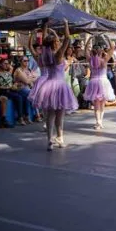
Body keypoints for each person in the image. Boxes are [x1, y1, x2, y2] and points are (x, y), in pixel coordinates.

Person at [32, 20, 78, 151]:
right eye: (56, 42)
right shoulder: (58, 55)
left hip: (48, 85)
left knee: (50, 116)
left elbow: (43, 41)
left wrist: (45, 27)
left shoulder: (44, 56)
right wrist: (65, 24)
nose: (58, 42)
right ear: (53, 44)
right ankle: (60, 138)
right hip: (59, 86)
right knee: (59, 115)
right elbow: (68, 38)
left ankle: (49, 141)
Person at [83, 36, 116, 130]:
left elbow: (85, 51)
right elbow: (112, 48)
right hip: (103, 82)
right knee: (102, 104)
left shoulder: (90, 60)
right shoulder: (104, 60)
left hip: (94, 82)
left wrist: (88, 40)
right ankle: (100, 121)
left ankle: (98, 121)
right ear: (101, 51)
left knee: (96, 104)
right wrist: (107, 38)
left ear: (93, 51)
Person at [0, 59, 31, 125]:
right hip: (1, 91)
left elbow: (11, 83)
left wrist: (15, 85)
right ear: (0, 64)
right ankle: (19, 117)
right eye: (5, 63)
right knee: (15, 97)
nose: (6, 65)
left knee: (21, 96)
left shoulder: (8, 73)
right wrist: (8, 87)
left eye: (7, 63)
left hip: (9, 91)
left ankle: (22, 117)